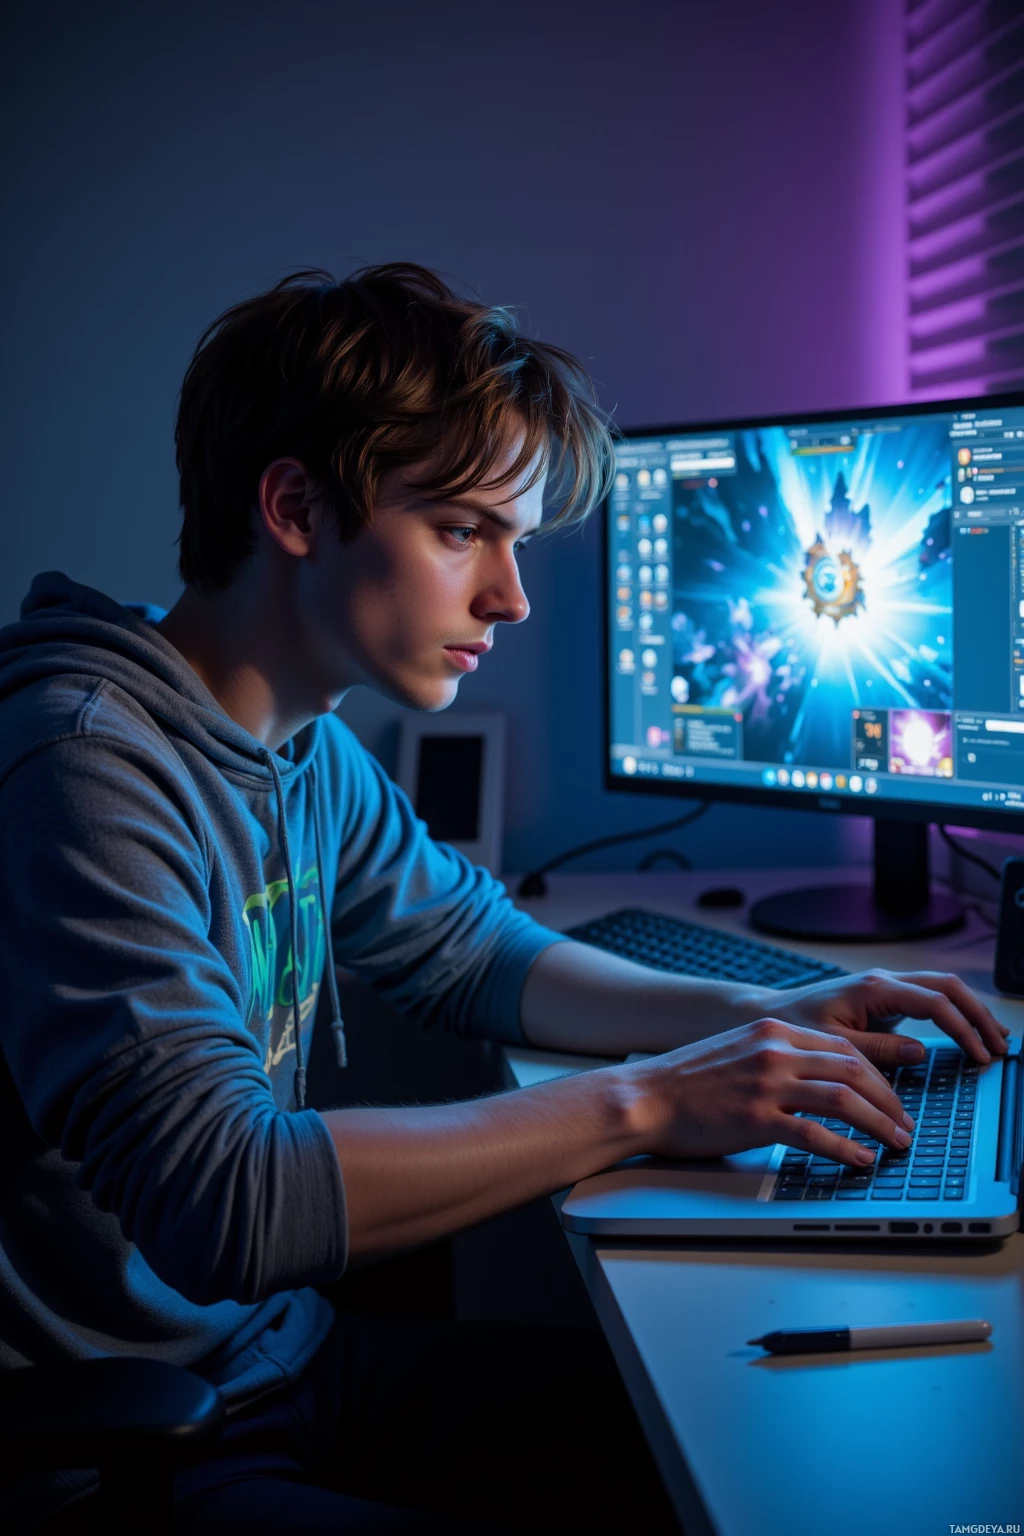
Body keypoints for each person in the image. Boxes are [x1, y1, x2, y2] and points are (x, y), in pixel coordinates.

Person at [0, 264, 1008, 1533]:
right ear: (295, 506)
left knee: (755, 1462)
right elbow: (227, 1204)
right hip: (116, 1440)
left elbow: (483, 955)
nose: (512, 598)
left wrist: (769, 1009)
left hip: (269, 1358)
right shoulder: (84, 763)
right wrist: (652, 1099)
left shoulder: (298, 744)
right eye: (464, 531)